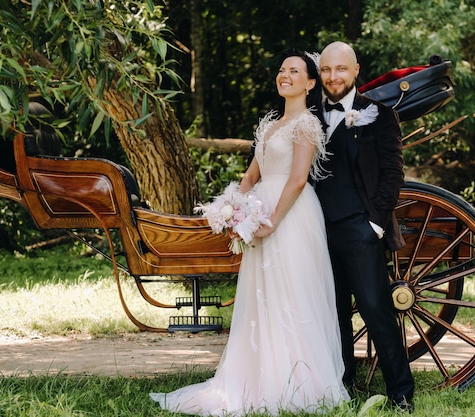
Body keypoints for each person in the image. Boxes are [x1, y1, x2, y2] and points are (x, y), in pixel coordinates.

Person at [149, 49, 349, 415]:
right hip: (258, 213)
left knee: (291, 292)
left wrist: (272, 219)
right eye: (281, 69)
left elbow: (298, 179)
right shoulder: (270, 124)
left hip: (291, 214)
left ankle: (298, 381)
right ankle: (257, 376)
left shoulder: (306, 123)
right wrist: (234, 209)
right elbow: (251, 175)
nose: (284, 75)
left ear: (309, 82)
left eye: (294, 71)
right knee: (262, 294)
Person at [315, 41, 416, 413]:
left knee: (376, 309)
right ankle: (343, 385)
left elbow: (392, 174)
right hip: (316, 231)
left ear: (356, 70)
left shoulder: (379, 113)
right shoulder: (307, 114)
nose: (332, 77)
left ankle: (401, 392)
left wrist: (374, 224)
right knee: (333, 311)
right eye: (326, 70)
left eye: (340, 69)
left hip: (360, 228)